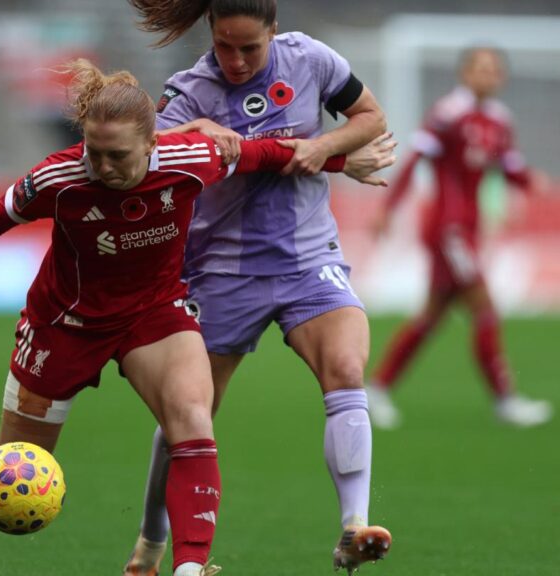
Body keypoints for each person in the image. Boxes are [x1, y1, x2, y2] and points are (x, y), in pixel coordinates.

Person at [0, 59, 393, 576]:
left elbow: (271, 156)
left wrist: (344, 160)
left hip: (153, 317)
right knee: (13, 475)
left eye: (117, 157)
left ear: (154, 144)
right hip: (63, 325)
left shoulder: (194, 158)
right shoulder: (57, 179)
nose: (102, 167)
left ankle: (189, 567)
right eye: (93, 153)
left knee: (193, 420)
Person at [122, 2, 394, 575]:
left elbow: (370, 116)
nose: (239, 60)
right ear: (210, 34)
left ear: (275, 32)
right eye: (226, 46)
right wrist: (194, 131)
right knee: (191, 414)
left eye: (251, 47)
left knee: (345, 366)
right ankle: (148, 549)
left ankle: (353, 527)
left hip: (307, 259)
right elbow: (142, 164)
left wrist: (325, 147)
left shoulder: (310, 59)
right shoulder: (190, 92)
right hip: (221, 269)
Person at [365, 46, 553, 430]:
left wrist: (531, 179)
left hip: (469, 229)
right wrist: (388, 208)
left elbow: (510, 168)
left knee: (431, 315)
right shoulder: (448, 114)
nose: (486, 76)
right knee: (485, 309)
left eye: (493, 70)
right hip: (447, 229)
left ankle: (377, 388)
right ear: (464, 74)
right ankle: (505, 399)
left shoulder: (500, 121)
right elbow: (417, 160)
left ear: (501, 78)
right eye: (479, 68)